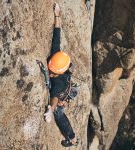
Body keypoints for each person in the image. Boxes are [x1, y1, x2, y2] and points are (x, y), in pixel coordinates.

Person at [44, 3, 78, 147]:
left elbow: (55, 98)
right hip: (70, 86)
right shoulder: (56, 56)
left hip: (67, 90)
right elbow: (57, 34)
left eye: (50, 71)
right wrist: (57, 15)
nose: (49, 71)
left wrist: (50, 110)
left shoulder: (58, 83)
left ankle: (72, 138)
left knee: (59, 113)